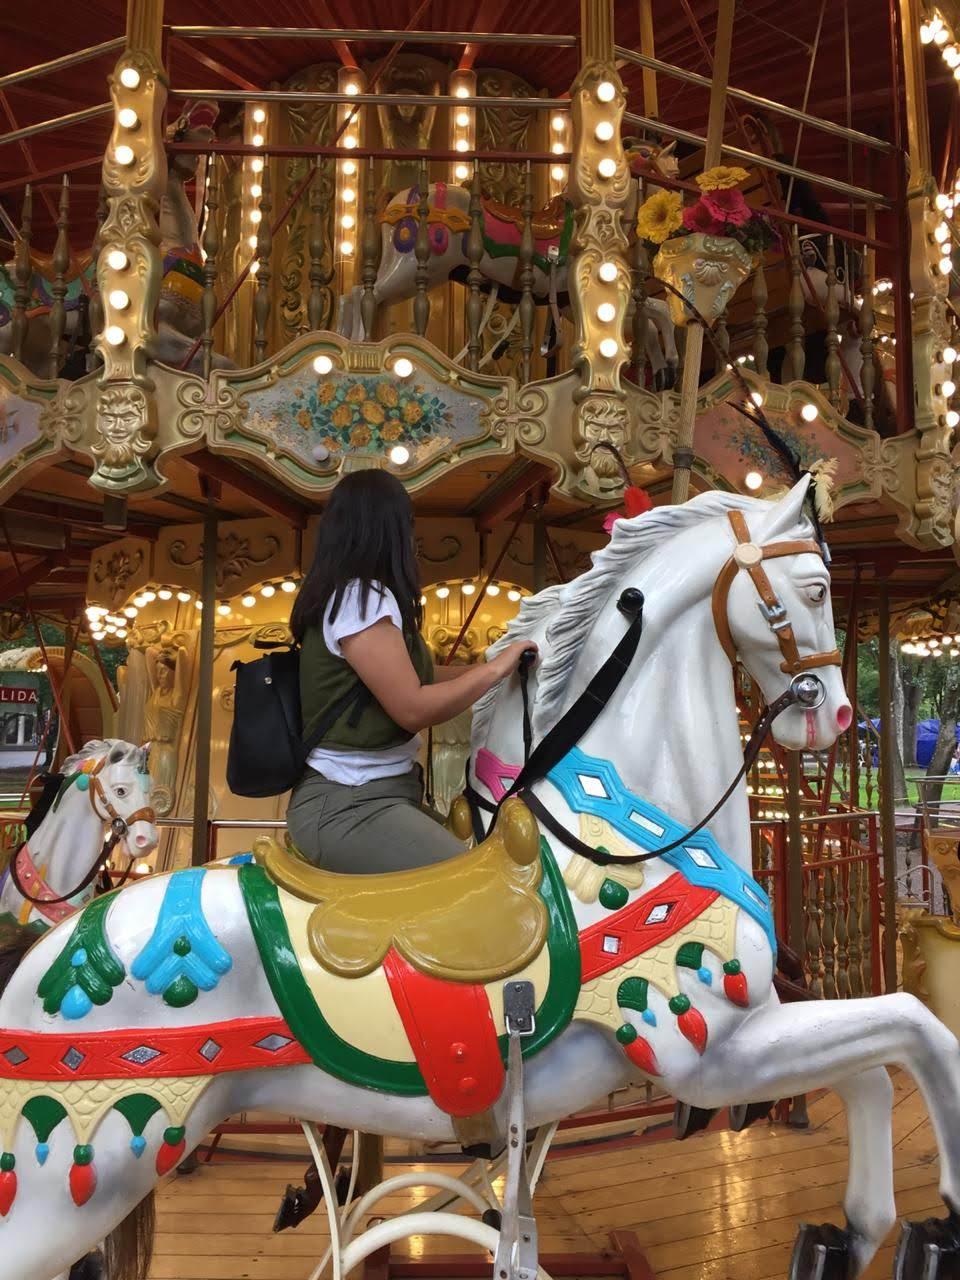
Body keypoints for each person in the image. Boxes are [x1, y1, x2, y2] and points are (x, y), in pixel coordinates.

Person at [286, 471, 534, 874]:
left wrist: (493, 668)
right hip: (349, 803)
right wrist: (492, 672)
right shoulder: (360, 599)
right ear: (389, 529)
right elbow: (412, 708)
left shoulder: (350, 596)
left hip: (378, 795)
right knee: (477, 882)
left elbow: (416, 676)